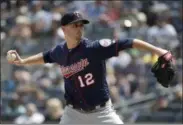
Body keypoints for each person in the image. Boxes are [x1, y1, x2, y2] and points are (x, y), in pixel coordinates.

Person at [7, 11, 169, 124]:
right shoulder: (60, 51)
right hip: (73, 114)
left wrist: (159, 50)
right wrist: (23, 61)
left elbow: (130, 42)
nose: (79, 28)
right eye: (74, 26)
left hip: (101, 113)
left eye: (81, 25)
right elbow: (45, 56)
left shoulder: (94, 48)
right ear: (64, 29)